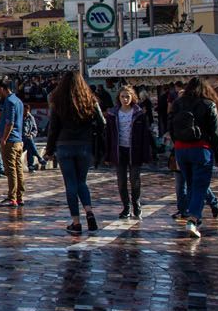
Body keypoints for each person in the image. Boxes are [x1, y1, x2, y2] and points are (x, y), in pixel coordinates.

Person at [45, 70, 105, 235]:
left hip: (64, 145)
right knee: (81, 182)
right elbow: (102, 123)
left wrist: (49, 150)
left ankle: (76, 222)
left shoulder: (58, 102)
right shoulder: (90, 100)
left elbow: (53, 129)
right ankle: (89, 212)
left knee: (70, 184)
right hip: (85, 145)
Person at [170, 76, 218, 239]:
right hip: (201, 148)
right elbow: (215, 132)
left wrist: (176, 143)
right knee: (200, 185)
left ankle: (199, 212)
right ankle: (193, 219)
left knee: (191, 183)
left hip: (181, 148)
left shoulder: (178, 103)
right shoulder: (209, 104)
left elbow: (170, 125)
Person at [104, 86, 152, 220]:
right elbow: (108, 135)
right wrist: (107, 154)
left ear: (132, 97)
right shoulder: (113, 113)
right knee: (121, 181)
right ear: (118, 98)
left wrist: (146, 153)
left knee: (135, 179)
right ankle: (126, 206)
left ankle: (136, 203)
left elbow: (145, 136)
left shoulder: (139, 113)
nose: (125, 99)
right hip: (119, 150)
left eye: (127, 96)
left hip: (134, 150)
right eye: (122, 97)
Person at [0, 80, 25, 207]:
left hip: (11, 140)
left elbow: (10, 122)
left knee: (10, 169)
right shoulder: (18, 101)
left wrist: (4, 138)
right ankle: (19, 196)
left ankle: (11, 197)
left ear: (2, 88)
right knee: (18, 169)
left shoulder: (9, 101)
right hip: (18, 140)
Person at [21, 104, 42, 171]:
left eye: (26, 111)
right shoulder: (18, 117)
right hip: (20, 138)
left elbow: (35, 129)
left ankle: (31, 165)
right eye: (24, 111)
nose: (25, 112)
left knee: (29, 142)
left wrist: (32, 134)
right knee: (29, 142)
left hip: (27, 138)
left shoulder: (31, 118)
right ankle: (37, 158)